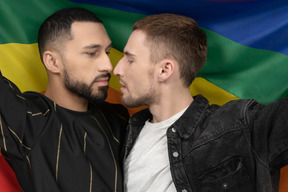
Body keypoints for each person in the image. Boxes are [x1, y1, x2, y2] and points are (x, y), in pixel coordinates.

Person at [113, 13, 288, 192]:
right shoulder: (120, 133)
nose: (117, 69)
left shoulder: (237, 127)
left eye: (130, 60)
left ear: (165, 70)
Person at [0, 7, 129, 192]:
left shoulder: (122, 119)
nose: (108, 66)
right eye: (91, 53)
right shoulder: (28, 120)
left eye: (107, 52)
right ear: (53, 62)